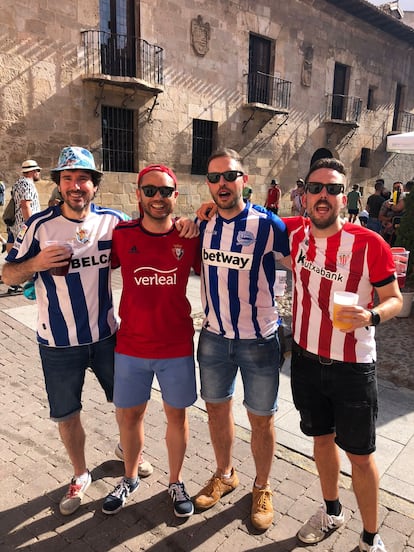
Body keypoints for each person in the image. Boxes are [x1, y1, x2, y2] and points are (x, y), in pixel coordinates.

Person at [1, 146, 153, 516]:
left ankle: (126, 450)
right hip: (57, 343)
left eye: (83, 178)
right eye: (68, 178)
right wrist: (36, 262)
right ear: (58, 184)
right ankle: (80, 473)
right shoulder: (40, 225)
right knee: (67, 414)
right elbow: (7, 273)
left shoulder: (113, 222)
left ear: (94, 185)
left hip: (106, 337)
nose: (76, 185)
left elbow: (148, 237)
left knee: (128, 405)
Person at [284, 158, 402, 552]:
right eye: (316, 188)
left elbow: (394, 300)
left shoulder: (370, 243)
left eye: (333, 189)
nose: (323, 196)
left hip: (352, 369)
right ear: (303, 195)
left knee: (361, 456)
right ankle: (332, 510)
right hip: (303, 361)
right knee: (320, 441)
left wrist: (371, 315)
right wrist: (209, 208)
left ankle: (371, 538)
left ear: (344, 195)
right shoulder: (295, 233)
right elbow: (243, 217)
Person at [194, 149, 290, 531]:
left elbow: (291, 266)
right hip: (214, 338)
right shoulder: (202, 223)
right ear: (208, 185)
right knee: (216, 409)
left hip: (259, 341)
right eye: (214, 178)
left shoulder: (269, 225)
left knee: (261, 419)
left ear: (244, 180)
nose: (222, 184)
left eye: (229, 176)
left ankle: (263, 486)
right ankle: (225, 473)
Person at [102, 164, 201, 518]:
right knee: (130, 416)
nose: (157, 197)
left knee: (177, 417)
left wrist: (199, 220)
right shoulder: (122, 234)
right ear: (138, 194)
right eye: (150, 190)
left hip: (175, 347)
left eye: (165, 191)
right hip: (131, 346)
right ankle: (129, 478)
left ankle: (175, 481)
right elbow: (88, 262)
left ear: (176, 196)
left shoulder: (189, 236)